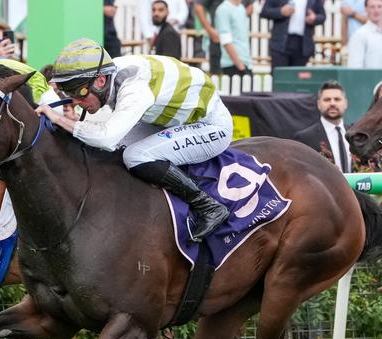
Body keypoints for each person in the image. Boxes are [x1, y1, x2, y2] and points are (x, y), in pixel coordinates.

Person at [35, 38, 234, 242]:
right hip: (172, 121)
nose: (76, 101)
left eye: (79, 92)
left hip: (212, 126)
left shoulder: (134, 88)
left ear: (100, 81)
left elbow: (107, 137)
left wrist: (60, 119)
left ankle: (208, 206)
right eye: (69, 94)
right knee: (117, 152)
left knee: (134, 155)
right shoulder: (110, 74)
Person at [294, 81, 352, 173]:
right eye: (327, 99)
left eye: (337, 99)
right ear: (318, 104)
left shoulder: (355, 136)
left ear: (346, 103)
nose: (332, 103)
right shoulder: (305, 139)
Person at [260, 0, 326, 72]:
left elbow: (322, 16)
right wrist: (280, 11)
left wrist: (314, 18)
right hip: (280, 43)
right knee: (280, 77)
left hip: (302, 44)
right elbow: (264, 12)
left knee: (296, 78)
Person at [347, 0, 382, 73]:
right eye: (372, 7)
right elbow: (355, 68)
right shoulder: (359, 35)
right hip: (369, 83)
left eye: (379, 6)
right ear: (366, 9)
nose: (376, 10)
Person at [215, 0, 253, 76]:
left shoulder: (241, 8)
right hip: (233, 65)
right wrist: (241, 67)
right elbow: (226, 41)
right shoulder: (223, 10)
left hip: (246, 63)